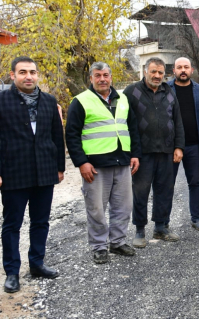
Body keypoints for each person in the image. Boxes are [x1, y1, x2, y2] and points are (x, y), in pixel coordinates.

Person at [0, 56, 65, 292]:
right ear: (12, 75)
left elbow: (57, 136)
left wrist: (60, 167)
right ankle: (12, 272)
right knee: (12, 224)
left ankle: (37, 263)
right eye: (23, 72)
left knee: (40, 222)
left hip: (44, 171)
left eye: (33, 72)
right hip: (13, 172)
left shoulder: (48, 101)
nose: (29, 76)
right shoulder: (2, 100)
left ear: (37, 75)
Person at [66, 62, 141, 263]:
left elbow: (132, 129)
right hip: (96, 165)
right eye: (97, 75)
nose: (102, 79)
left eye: (106, 75)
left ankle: (117, 242)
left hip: (122, 162)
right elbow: (71, 134)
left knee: (123, 206)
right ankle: (99, 246)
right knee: (96, 208)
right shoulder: (81, 101)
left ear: (111, 77)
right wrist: (81, 162)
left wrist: (135, 154)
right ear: (91, 78)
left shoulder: (122, 99)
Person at [124, 57, 185, 248]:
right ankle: (140, 230)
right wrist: (131, 152)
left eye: (160, 72)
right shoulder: (131, 92)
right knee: (140, 191)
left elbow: (178, 121)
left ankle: (161, 227)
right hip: (142, 153)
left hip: (166, 151)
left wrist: (178, 147)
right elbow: (124, 122)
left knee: (165, 190)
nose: (157, 76)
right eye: (153, 72)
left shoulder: (169, 92)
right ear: (145, 71)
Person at [167, 57, 199, 231]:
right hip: (170, 147)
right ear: (173, 71)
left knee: (195, 182)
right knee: (167, 183)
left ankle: (196, 217)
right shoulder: (165, 90)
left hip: (194, 145)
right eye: (179, 67)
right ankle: (163, 221)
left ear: (192, 70)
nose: (183, 70)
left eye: (186, 67)